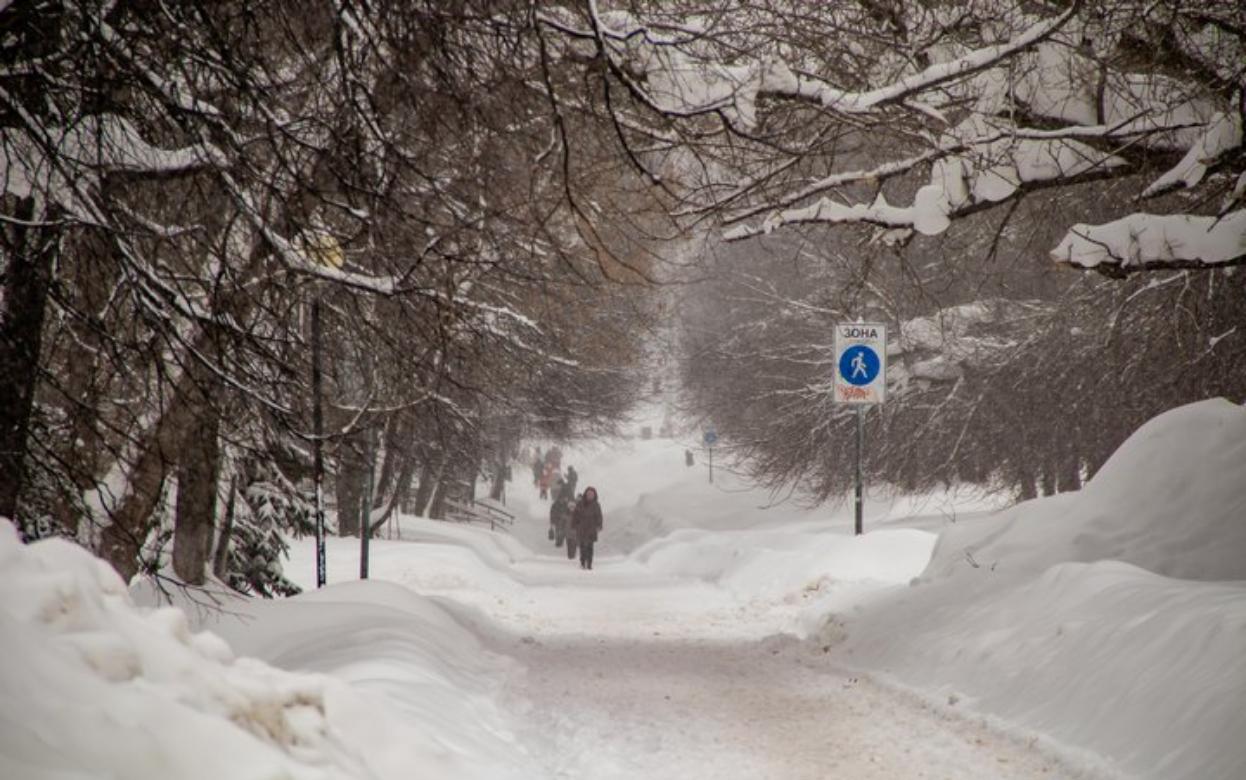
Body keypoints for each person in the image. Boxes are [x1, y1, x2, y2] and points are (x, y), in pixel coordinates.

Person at [571, 487, 603, 570]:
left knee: (590, 546)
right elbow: (575, 515)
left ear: (594, 495)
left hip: (592, 528)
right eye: (588, 494)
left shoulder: (596, 505)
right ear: (586, 494)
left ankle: (589, 563)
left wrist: (599, 526)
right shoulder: (580, 504)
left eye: (592, 494)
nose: (590, 496)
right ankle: (582, 562)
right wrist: (574, 525)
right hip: (581, 528)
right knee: (582, 546)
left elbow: (599, 516)